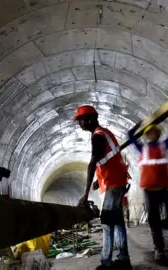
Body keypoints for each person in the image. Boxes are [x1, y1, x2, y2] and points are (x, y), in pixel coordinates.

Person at [75, 105, 132, 270]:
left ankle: (106, 263)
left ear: (91, 118)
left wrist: (85, 195)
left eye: (81, 119)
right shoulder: (104, 133)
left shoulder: (98, 136)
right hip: (116, 180)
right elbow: (108, 159)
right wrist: (98, 182)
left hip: (114, 184)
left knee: (106, 221)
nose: (80, 123)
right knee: (118, 221)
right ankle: (124, 260)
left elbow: (93, 163)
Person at [128, 123, 168, 264]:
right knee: (154, 220)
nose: (152, 135)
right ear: (147, 135)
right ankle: (159, 250)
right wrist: (138, 125)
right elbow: (130, 136)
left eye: (154, 132)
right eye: (149, 133)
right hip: (149, 191)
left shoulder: (163, 146)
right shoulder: (143, 148)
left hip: (163, 188)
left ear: (158, 134)